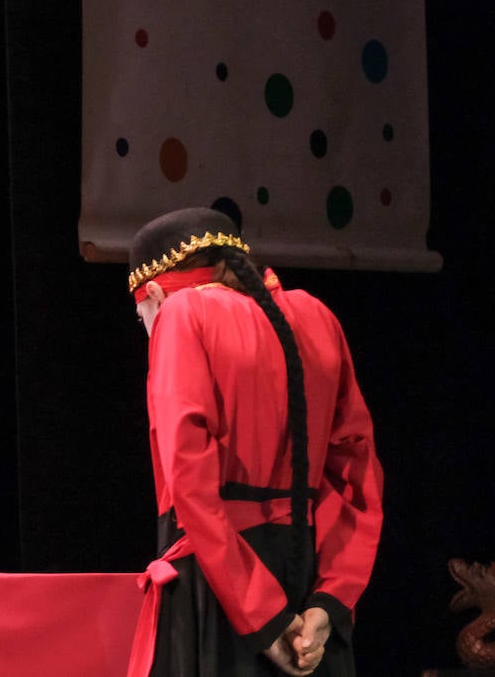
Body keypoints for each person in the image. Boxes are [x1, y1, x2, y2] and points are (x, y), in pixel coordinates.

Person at [124, 207, 384, 676]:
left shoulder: (183, 315)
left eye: (142, 315)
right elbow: (357, 474)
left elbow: (192, 487)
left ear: (156, 293)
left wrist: (263, 618)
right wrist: (330, 603)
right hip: (311, 595)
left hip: (225, 592)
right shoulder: (317, 315)